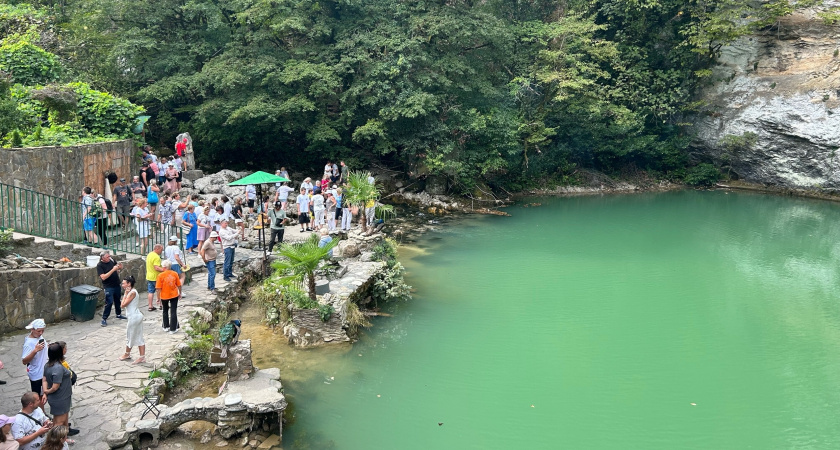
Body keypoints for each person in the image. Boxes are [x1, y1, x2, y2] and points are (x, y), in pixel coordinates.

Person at [41, 343, 72, 429]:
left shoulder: (47, 365)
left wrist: (45, 392)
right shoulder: (57, 367)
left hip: (63, 397)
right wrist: (47, 391)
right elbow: (55, 386)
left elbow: (44, 379)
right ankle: (55, 441)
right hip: (60, 398)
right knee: (59, 422)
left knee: (64, 419)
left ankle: (64, 438)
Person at [119, 276, 146, 364]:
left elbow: (122, 305)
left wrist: (125, 294)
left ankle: (127, 354)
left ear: (129, 284)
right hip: (136, 316)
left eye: (123, 283)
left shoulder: (131, 293)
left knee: (130, 336)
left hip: (134, 317)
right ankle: (142, 357)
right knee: (138, 336)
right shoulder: (132, 292)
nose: (122, 285)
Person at [97, 252, 126, 327]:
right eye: (107, 257)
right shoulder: (100, 265)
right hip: (108, 286)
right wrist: (113, 270)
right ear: (102, 258)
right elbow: (103, 277)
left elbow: (117, 268)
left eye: (109, 256)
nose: (109, 258)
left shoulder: (111, 260)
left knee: (117, 300)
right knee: (109, 302)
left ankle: (118, 314)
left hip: (116, 284)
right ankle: (104, 318)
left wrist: (119, 267)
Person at [20, 319, 47, 395]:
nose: (41, 333)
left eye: (42, 331)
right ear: (32, 329)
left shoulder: (38, 336)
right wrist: (35, 351)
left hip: (43, 371)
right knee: (38, 398)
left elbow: (42, 319)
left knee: (43, 395)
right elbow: (24, 361)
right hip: (37, 375)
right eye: (39, 331)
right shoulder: (28, 344)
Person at [156, 260, 182, 333]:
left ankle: (166, 326)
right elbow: (179, 285)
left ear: (164, 267)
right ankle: (173, 328)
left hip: (164, 295)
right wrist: (180, 293)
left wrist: (158, 298)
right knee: (173, 311)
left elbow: (158, 288)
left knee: (165, 310)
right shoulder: (174, 274)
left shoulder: (160, 276)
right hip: (174, 294)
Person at [145, 244, 165, 311]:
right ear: (157, 249)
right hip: (156, 277)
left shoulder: (149, 254)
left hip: (149, 276)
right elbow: (156, 267)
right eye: (161, 250)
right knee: (160, 291)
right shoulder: (156, 257)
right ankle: (161, 305)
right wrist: (164, 270)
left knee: (150, 292)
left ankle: (150, 306)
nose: (161, 252)